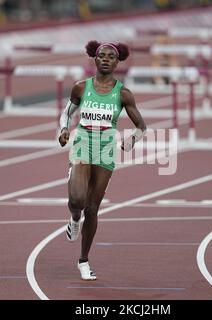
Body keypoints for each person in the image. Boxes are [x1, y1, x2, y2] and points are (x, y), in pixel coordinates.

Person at [58, 40, 147, 280]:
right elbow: (66, 114)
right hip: (83, 142)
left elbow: (141, 126)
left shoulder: (123, 93)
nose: (106, 59)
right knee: (76, 200)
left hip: (106, 147)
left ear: (118, 62)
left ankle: (84, 261)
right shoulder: (81, 88)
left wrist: (132, 139)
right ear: (95, 60)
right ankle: (74, 220)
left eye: (111, 56)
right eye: (102, 56)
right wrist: (63, 130)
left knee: (93, 208)